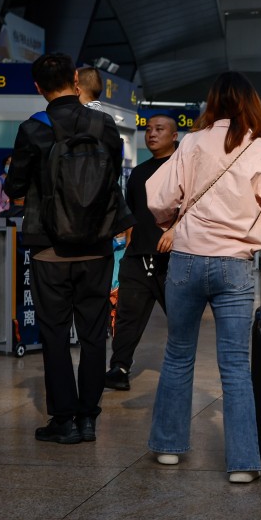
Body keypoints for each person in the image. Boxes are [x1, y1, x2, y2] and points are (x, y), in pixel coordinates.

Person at [145, 72, 261, 484]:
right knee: (235, 364)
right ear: (252, 104)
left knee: (178, 353)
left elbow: (159, 198)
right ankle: (243, 462)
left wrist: (169, 222)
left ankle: (168, 447)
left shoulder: (192, 142)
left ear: (212, 103)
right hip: (234, 264)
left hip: (186, 260)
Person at [4, 52, 134, 445]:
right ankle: (88, 418)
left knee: (55, 334)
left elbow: (14, 187)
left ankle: (63, 419)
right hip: (97, 246)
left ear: (38, 87)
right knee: (94, 334)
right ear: (75, 80)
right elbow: (111, 177)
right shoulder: (103, 124)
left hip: (49, 249)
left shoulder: (32, 129)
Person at [104, 115, 179, 391]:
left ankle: (180, 371)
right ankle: (119, 368)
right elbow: (133, 217)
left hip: (172, 261)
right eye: (148, 129)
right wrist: (126, 252)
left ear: (174, 136)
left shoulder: (182, 169)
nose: (152, 134)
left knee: (181, 319)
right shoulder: (138, 173)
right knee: (127, 316)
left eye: (159, 129)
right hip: (137, 258)